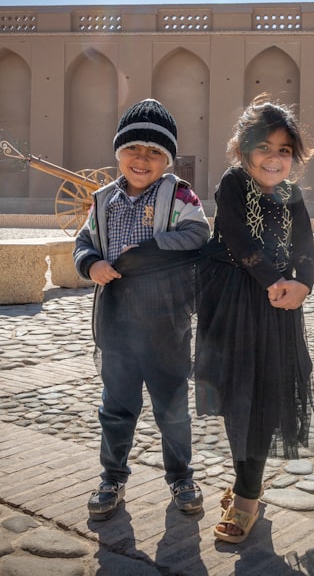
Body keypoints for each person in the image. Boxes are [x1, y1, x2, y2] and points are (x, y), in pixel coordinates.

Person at [73, 99, 210, 521]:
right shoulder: (103, 200)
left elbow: (198, 233)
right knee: (116, 405)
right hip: (116, 318)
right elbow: (84, 242)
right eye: (133, 148)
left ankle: (181, 476)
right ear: (118, 152)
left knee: (172, 404)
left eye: (154, 152)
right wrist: (92, 264)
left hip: (165, 316)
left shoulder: (179, 195)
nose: (142, 159)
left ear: (167, 160)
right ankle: (112, 477)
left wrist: (147, 251)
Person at [195, 95, 314, 544]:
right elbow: (238, 237)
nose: (274, 157)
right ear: (244, 150)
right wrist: (274, 280)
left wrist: (303, 284)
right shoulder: (232, 184)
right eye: (264, 147)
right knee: (237, 397)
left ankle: (247, 493)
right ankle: (248, 486)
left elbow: (306, 248)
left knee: (265, 398)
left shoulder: (292, 195)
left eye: (284, 150)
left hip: (279, 306)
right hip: (233, 303)